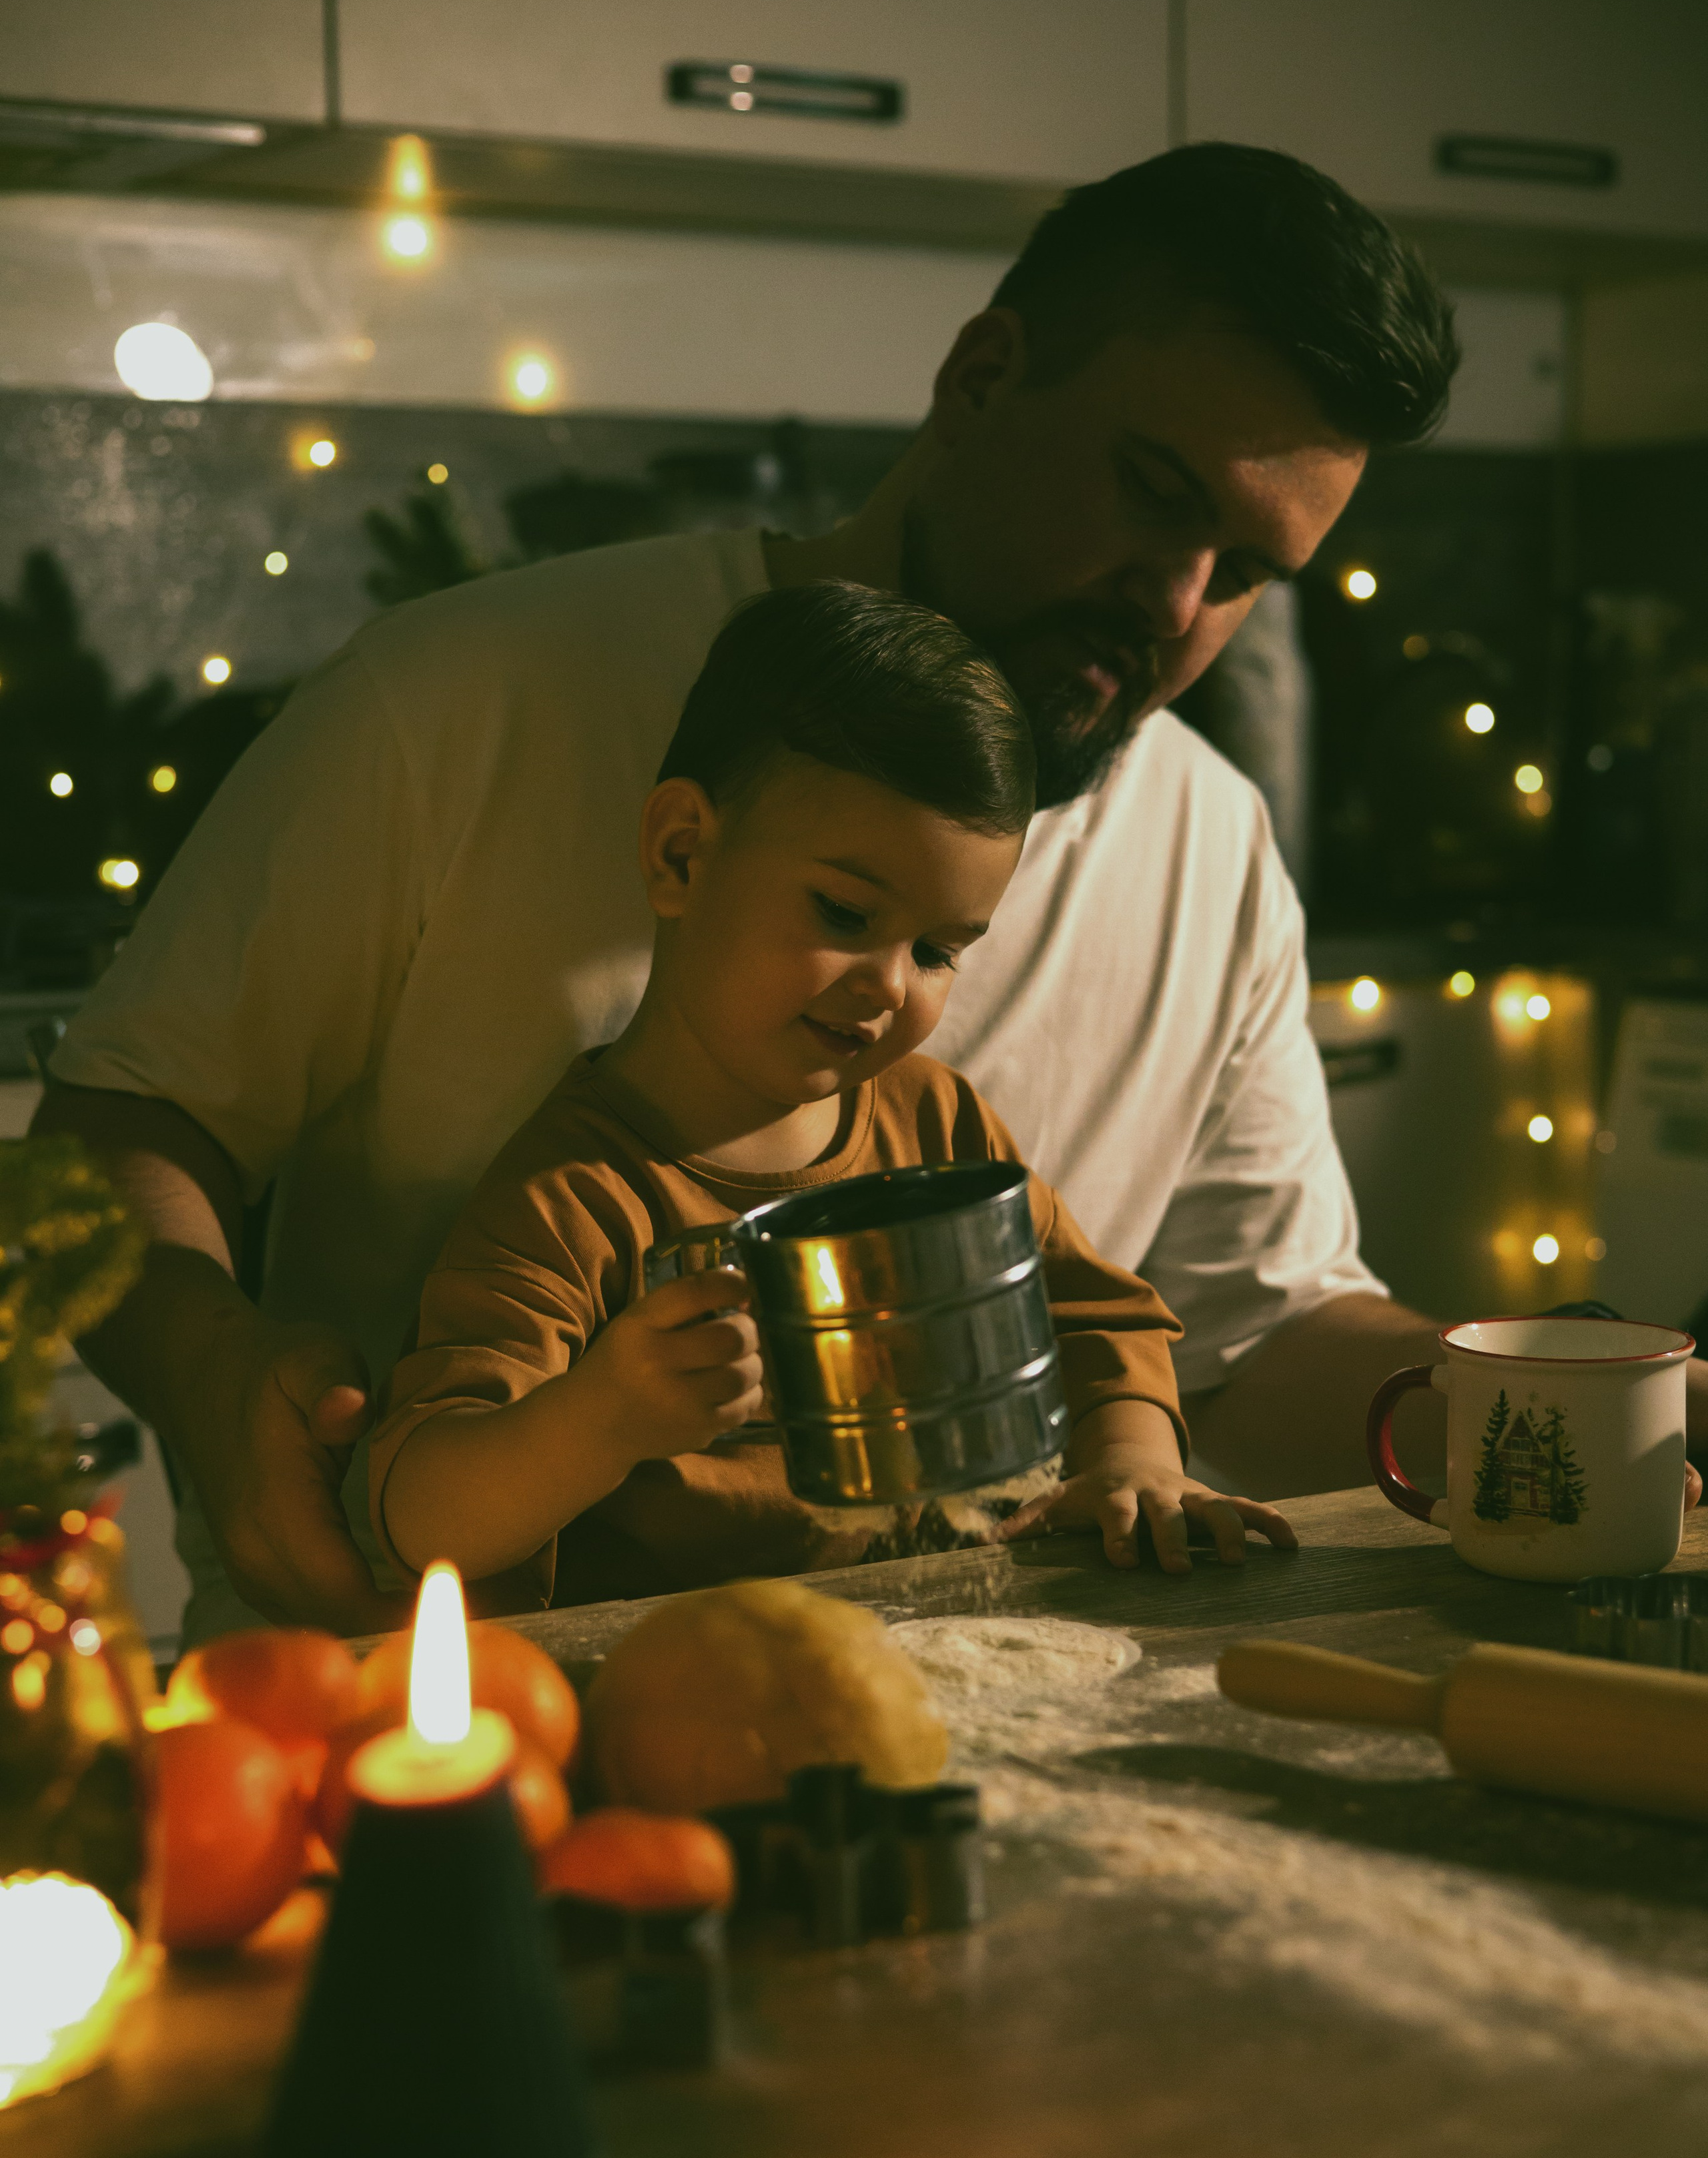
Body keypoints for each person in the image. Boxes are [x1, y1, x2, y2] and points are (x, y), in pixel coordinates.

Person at [37, 137, 1629, 1649]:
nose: (1176, 606)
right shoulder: (461, 696)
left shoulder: (1209, 842)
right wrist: (205, 1367)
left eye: (1249, 573)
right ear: (980, 377)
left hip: (976, 1728)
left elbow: (1251, 1337)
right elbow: (124, 1121)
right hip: (432, 1718)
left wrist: (1559, 1407)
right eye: (1153, 491)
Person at [368, 583, 1292, 1607]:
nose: (891, 986)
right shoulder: (576, 1198)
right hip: (697, 1674)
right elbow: (418, 1516)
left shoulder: (937, 1126)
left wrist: (1133, 1464)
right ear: (682, 853)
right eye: (846, 913)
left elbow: (1096, 1319)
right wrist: (602, 1416)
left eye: (938, 951)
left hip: (971, 1642)